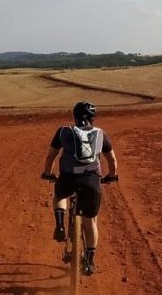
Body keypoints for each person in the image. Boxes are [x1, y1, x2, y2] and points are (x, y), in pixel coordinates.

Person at [41, 101, 118, 274]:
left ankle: (60, 224)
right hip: (90, 180)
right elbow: (112, 160)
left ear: (74, 117)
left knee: (60, 196)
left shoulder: (63, 132)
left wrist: (48, 173)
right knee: (90, 220)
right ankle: (89, 262)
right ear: (93, 118)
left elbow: (50, 156)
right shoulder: (101, 134)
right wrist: (111, 176)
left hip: (68, 178)